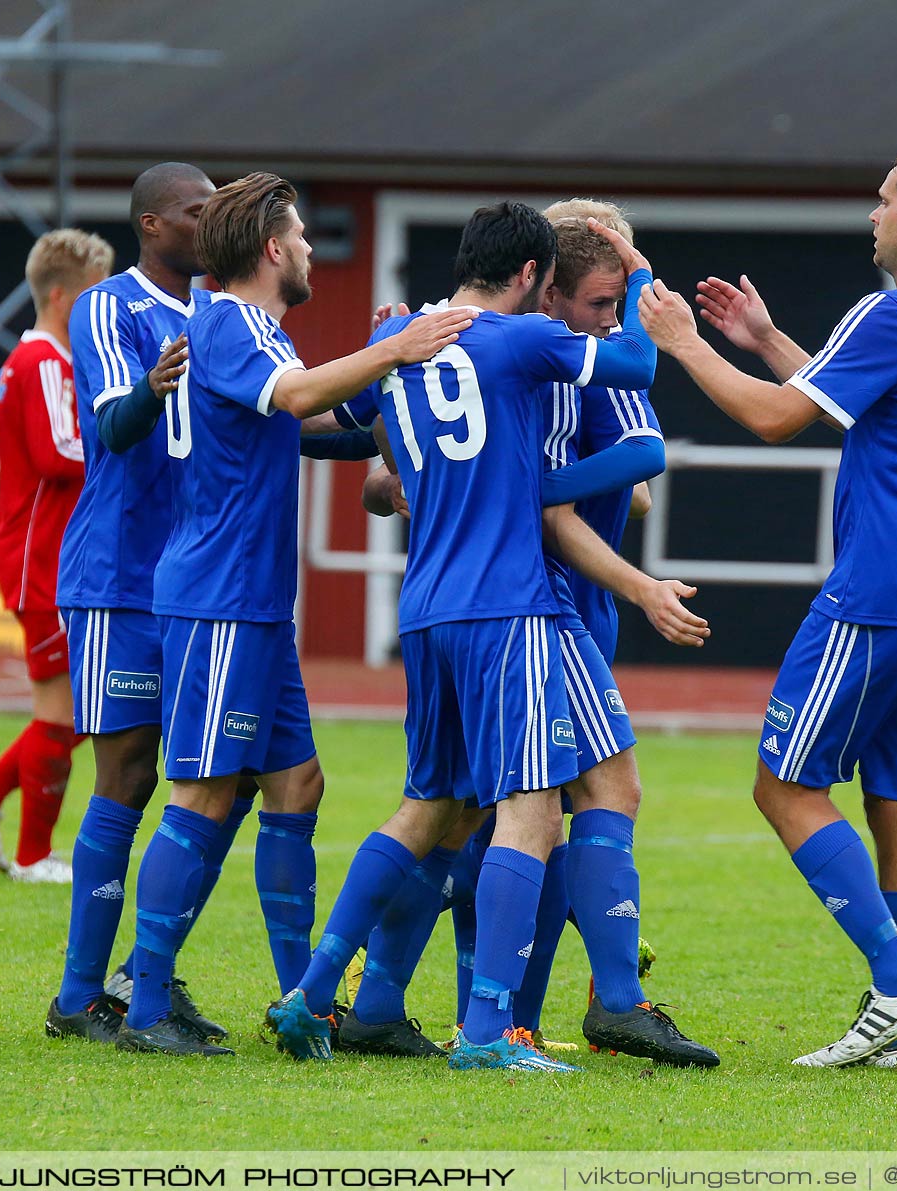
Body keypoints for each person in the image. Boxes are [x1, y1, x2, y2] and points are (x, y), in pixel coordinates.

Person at [265, 201, 706, 1072]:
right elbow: (636, 366)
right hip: (510, 606)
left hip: (425, 608)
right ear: (536, 277)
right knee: (536, 811)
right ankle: (490, 1030)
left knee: (431, 807)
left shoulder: (412, 343)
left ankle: (312, 991)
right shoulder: (516, 341)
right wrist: (647, 275)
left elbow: (354, 449)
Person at [636, 144, 897, 1068]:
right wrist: (763, 341)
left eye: (884, 201)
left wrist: (682, 343)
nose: (871, 215)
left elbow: (777, 420)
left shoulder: (896, 308)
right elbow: (861, 406)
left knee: (783, 784)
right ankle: (896, 1036)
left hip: (879, 594)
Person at [112, 172, 473, 1056]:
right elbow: (303, 398)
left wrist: (389, 359)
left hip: (255, 605)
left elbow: (323, 417)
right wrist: (395, 349)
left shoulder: (255, 332)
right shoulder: (228, 321)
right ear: (272, 249)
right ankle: (146, 1006)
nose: (312, 248)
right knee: (200, 792)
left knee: (298, 784)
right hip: (217, 602)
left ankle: (295, 1002)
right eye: (304, 236)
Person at [45, 163, 239, 1045]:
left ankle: (143, 972)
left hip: (198, 582)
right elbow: (110, 427)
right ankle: (79, 995)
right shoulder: (107, 307)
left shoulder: (222, 315)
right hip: (120, 576)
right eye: (198, 213)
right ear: (154, 225)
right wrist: (150, 389)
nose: (212, 224)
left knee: (223, 777)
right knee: (127, 772)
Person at [0, 229, 112, 881]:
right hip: (43, 556)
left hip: (50, 553)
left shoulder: (45, 360)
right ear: (64, 297)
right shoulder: (43, 361)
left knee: (84, 707)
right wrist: (124, 440)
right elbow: (57, 452)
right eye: (97, 296)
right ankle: (33, 853)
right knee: (65, 710)